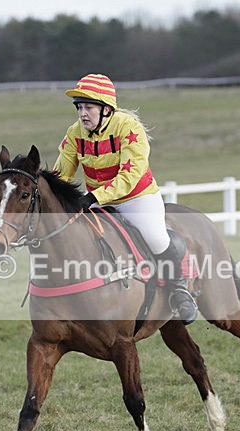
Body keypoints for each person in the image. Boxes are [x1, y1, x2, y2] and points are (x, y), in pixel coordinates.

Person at [53, 73, 198, 324]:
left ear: (106, 109)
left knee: (155, 236)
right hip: (98, 199)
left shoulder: (129, 128)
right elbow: (61, 174)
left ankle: (180, 290)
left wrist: (94, 196)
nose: (82, 113)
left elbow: (129, 175)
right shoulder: (74, 133)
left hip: (136, 197)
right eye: (79, 107)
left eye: (88, 107)